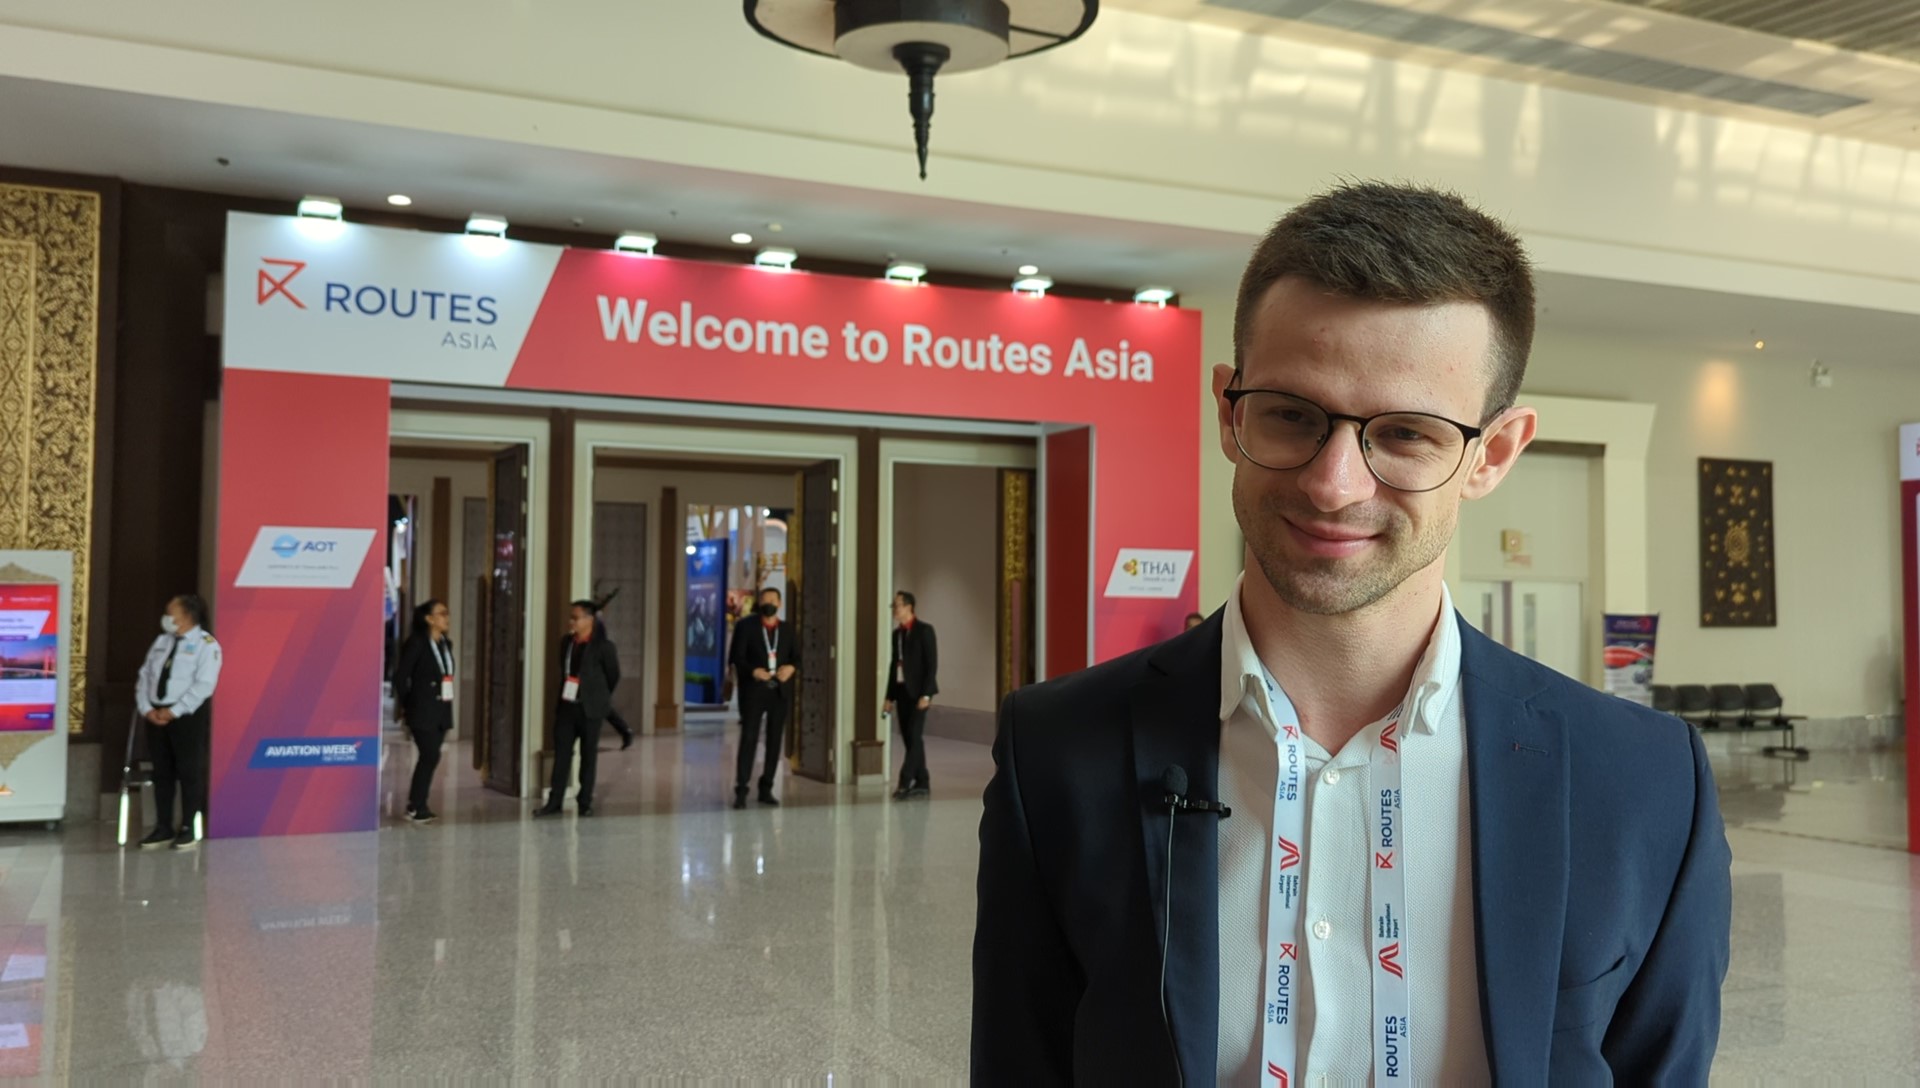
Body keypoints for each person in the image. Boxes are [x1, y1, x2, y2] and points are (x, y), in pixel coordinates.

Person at [971, 182, 1731, 1084]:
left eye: (1405, 434)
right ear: (1229, 412)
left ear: (1491, 454)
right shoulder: (1057, 752)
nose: (1334, 484)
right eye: (1292, 414)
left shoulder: (1643, 783)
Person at [134, 595, 222, 851]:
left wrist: (174, 711)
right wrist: (147, 708)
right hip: (155, 716)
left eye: (171, 613)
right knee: (162, 772)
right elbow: (145, 675)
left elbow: (204, 684)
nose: (167, 618)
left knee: (189, 771)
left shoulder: (207, 645)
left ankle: (187, 828)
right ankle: (163, 827)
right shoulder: (162, 642)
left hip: (186, 717)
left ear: (186, 616)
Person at [534, 600, 620, 818]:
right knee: (561, 755)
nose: (571, 621)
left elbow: (613, 676)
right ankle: (555, 802)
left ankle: (585, 802)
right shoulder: (566, 643)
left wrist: (596, 696)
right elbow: (563, 671)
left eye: (575, 617)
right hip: (566, 708)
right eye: (571, 617)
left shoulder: (604, 647)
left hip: (590, 710)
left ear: (589, 620)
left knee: (588, 756)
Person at [727, 586, 798, 809]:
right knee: (749, 737)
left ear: (780, 604)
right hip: (753, 690)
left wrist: (791, 668)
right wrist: (753, 671)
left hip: (778, 690)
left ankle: (766, 786)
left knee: (774, 739)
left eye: (773, 600)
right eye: (764, 600)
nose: (768, 604)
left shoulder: (787, 630)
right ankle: (742, 788)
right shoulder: (745, 626)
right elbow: (737, 657)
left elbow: (797, 657)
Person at [392, 599, 454, 824]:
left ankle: (419, 804)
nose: (446, 617)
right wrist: (408, 704)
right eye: (442, 613)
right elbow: (401, 677)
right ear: (429, 619)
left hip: (442, 709)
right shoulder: (417, 643)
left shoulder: (446, 644)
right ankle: (416, 805)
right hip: (422, 710)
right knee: (429, 755)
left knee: (431, 757)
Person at [884, 591, 939, 801]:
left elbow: (931, 664)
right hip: (902, 692)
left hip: (920, 694)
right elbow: (893, 666)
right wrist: (888, 697)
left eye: (897, 605)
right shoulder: (896, 634)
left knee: (915, 736)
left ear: (909, 607)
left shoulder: (925, 631)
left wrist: (926, 694)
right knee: (910, 739)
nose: (894, 609)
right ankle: (923, 780)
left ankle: (905, 782)